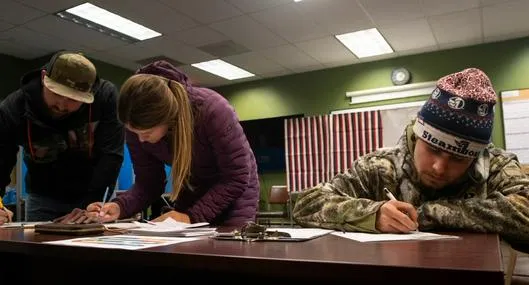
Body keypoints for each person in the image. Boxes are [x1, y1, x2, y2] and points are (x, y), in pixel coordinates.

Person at [292, 68, 529, 247]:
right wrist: (371, 215)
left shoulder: (497, 166)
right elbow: (306, 204)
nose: (439, 167)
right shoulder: (379, 166)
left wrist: (433, 213)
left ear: (475, 156)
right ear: (417, 136)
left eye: (458, 158)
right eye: (433, 149)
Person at [85, 60, 260, 227]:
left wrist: (191, 217)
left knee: (227, 248)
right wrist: (120, 206)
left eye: (146, 133)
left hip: (235, 194)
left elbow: (236, 177)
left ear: (167, 118)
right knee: (186, 251)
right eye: (134, 132)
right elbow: (148, 183)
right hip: (193, 188)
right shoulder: (137, 124)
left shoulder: (213, 110)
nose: (141, 140)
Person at [0, 51, 124, 223]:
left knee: (88, 247)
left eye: (73, 99)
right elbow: (1, 159)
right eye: (57, 93)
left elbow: (111, 155)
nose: (62, 105)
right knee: (37, 246)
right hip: (43, 195)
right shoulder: (14, 107)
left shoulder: (105, 97)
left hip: (91, 193)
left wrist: (92, 204)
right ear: (44, 78)